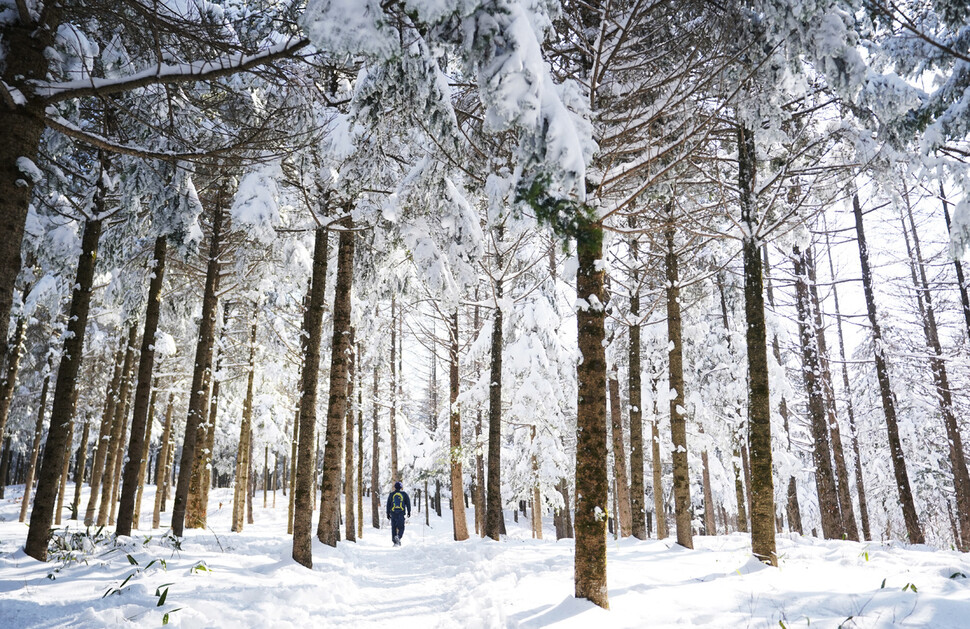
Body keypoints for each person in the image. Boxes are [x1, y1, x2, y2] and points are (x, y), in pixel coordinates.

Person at [386, 481, 411, 546]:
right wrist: (409, 512)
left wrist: (388, 513)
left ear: (395, 487)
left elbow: (388, 504)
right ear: (401, 487)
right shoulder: (404, 494)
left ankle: (395, 542)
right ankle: (398, 537)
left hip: (393, 513)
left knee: (393, 527)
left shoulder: (391, 494)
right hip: (401, 513)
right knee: (401, 527)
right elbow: (408, 503)